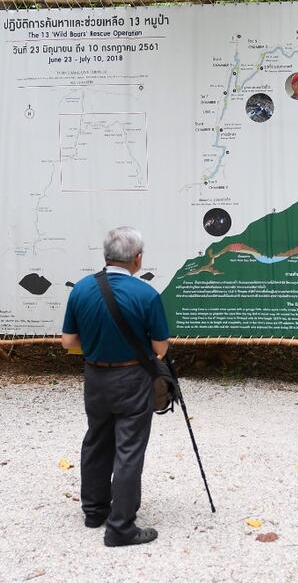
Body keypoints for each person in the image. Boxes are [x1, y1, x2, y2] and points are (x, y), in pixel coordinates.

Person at [61, 226, 170, 546]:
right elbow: (160, 347)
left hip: (95, 377)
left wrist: (97, 346)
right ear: (137, 259)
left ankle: (94, 511)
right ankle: (121, 527)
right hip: (132, 379)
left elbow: (68, 341)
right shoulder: (147, 295)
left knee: (96, 440)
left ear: (105, 256)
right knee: (129, 449)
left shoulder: (81, 289)